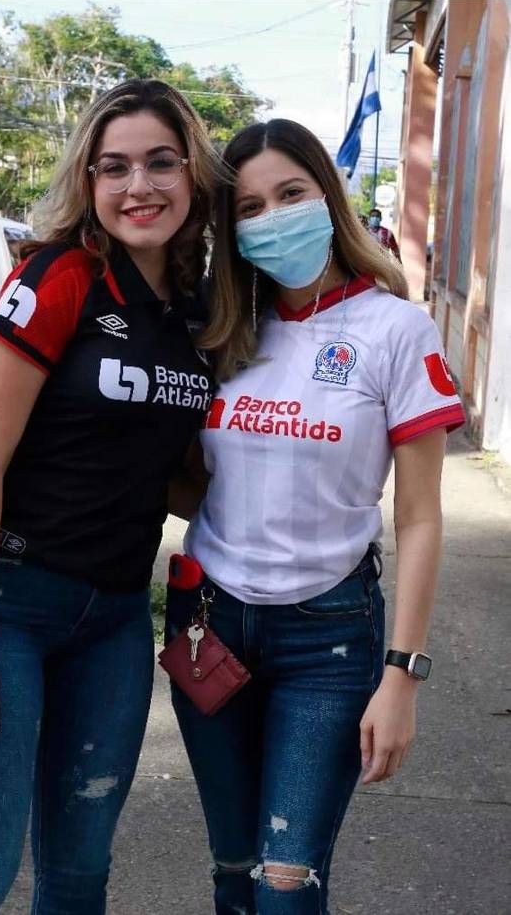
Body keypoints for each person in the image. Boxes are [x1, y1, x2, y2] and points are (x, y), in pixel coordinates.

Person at [0, 78, 220, 914]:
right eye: (113, 167)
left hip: (112, 619)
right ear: (88, 180)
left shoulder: (195, 312)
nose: (137, 185)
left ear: (193, 174)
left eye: (160, 162)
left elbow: (163, 473)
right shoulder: (59, 277)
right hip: (2, 603)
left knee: (80, 879)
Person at [164, 119, 465, 915]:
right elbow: (195, 483)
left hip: (327, 639)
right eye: (249, 207)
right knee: (233, 871)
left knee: (286, 885)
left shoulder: (395, 329)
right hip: (209, 623)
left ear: (328, 198)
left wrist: (401, 675)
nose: (273, 218)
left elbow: (419, 518)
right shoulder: (223, 331)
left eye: (290, 194)